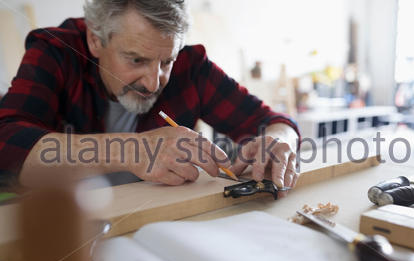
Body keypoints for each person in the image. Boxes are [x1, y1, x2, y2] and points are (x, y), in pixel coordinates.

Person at [0, 0, 300, 194]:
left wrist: (280, 141)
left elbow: (272, 121)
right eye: (136, 60)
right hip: (66, 234)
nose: (154, 82)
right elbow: (6, 141)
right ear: (95, 39)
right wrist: (129, 149)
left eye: (166, 61)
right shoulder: (56, 51)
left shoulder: (190, 65)